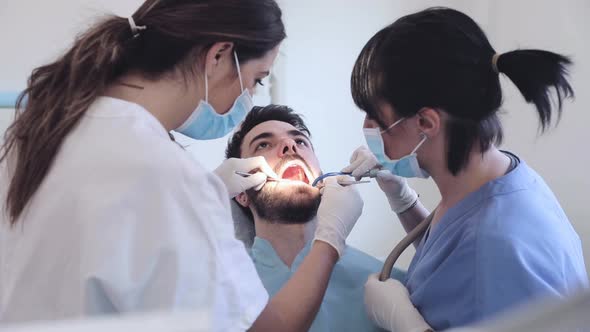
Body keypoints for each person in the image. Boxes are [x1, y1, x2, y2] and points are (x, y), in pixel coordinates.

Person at [0, 1, 362, 331]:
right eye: (257, 79)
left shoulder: (46, 133)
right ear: (220, 55)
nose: (249, 96)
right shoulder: (165, 173)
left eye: (300, 141)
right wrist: (329, 239)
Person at [343, 7, 589, 331]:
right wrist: (402, 200)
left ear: (426, 122)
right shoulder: (500, 175)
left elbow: (477, 260)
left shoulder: (499, 244)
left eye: (376, 118)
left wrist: (408, 326)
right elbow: (451, 264)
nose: (367, 128)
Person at [225, 104, 415, 332]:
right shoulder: (221, 287)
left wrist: (404, 198)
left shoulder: (385, 282)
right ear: (241, 193)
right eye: (264, 144)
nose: (289, 145)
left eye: (301, 141)